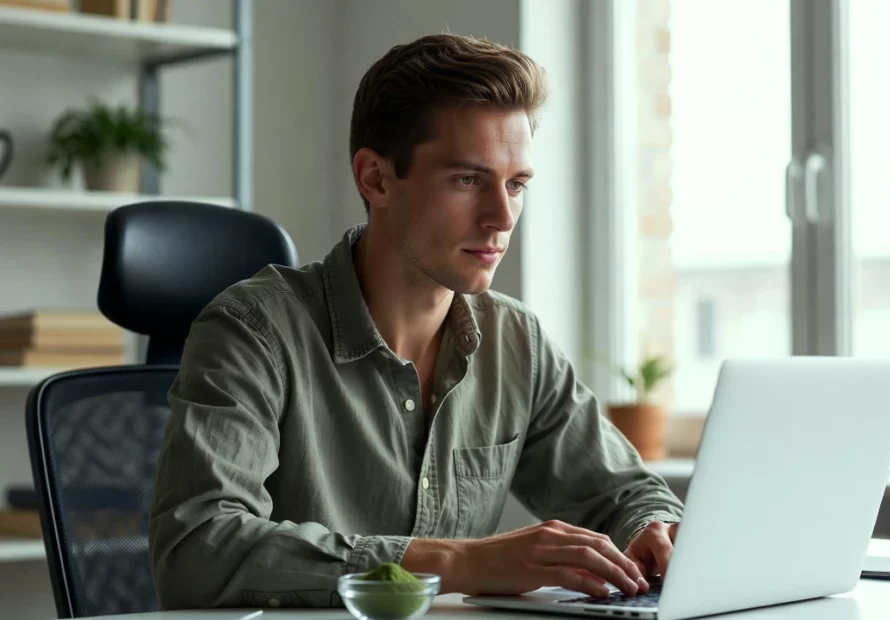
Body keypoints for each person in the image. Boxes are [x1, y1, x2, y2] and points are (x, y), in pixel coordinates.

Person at [148, 33, 684, 610]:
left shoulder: (516, 342)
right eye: (468, 180)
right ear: (375, 179)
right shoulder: (253, 330)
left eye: (517, 184)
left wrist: (653, 529)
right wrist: (461, 562)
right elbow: (197, 549)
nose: (502, 217)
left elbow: (623, 491)